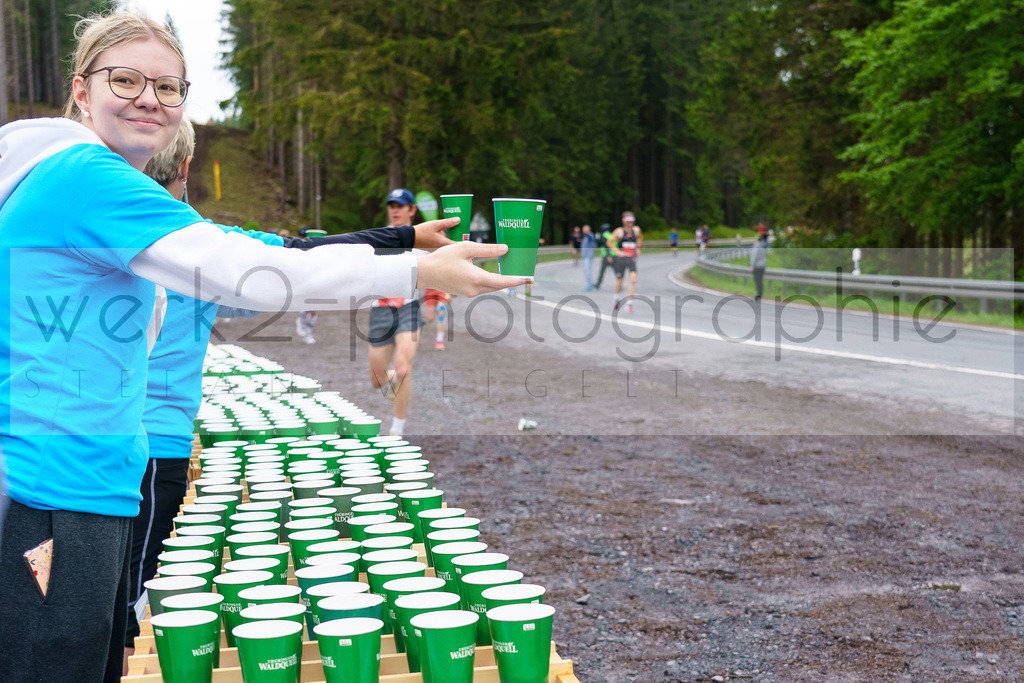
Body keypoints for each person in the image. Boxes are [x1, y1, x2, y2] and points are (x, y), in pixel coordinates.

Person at [0, 13, 526, 681]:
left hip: (85, 483)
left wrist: (404, 246)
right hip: (55, 490)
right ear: (82, 90)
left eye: (168, 87)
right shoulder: (87, 178)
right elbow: (244, 268)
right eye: (125, 80)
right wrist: (416, 270)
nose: (148, 99)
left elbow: (262, 254)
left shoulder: (74, 177)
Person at [124, 119, 452, 669]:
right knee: (134, 603)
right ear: (185, 167)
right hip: (157, 446)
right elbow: (306, 256)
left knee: (103, 593)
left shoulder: (90, 227)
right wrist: (408, 245)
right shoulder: (207, 246)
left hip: (78, 447)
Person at [367, 188, 428, 437]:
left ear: (411, 210)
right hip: (380, 311)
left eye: (400, 206)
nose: (395, 210)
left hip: (408, 309)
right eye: (391, 205)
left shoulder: (422, 239)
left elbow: (442, 265)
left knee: (403, 369)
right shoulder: (377, 238)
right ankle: (390, 378)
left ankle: (397, 431)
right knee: (377, 380)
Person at [610, 211, 643, 313]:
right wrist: (617, 251)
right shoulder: (619, 231)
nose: (630, 223)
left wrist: (638, 248)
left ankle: (629, 304)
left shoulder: (636, 230)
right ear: (623, 221)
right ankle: (616, 298)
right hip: (621, 259)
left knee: (633, 280)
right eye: (628, 221)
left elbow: (640, 238)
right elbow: (609, 242)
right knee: (620, 282)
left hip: (632, 258)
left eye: (632, 221)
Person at [750, 225, 769, 301]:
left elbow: (754, 256)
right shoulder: (764, 245)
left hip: (757, 266)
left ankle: (758, 295)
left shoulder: (756, 246)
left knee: (757, 281)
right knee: (760, 281)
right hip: (762, 265)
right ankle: (760, 294)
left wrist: (752, 265)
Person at [594, 222, 614, 289]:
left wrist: (597, 239)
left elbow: (605, 246)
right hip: (613, 255)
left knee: (602, 271)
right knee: (616, 270)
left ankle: (598, 284)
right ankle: (620, 282)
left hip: (606, 256)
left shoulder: (604, 236)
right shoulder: (612, 235)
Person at [580, 224, 596, 290]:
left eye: (585, 229)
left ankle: (589, 285)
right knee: (586, 270)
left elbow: (590, 237)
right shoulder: (585, 237)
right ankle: (590, 284)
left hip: (588, 256)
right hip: (584, 256)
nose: (584, 230)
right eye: (583, 229)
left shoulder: (590, 235)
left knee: (587, 270)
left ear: (589, 229)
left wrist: (587, 233)